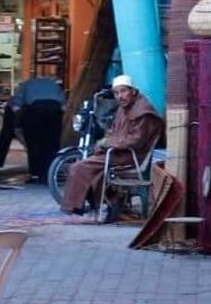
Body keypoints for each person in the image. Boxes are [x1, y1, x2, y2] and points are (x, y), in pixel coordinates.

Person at [60, 74, 163, 221]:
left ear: (133, 91)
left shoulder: (143, 112)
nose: (120, 96)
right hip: (117, 152)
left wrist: (108, 143)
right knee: (92, 169)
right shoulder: (124, 108)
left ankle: (74, 207)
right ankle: (107, 205)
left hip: (130, 155)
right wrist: (105, 141)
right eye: (116, 93)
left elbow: (135, 141)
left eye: (123, 91)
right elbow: (113, 130)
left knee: (79, 167)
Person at [0, 75, 66, 180]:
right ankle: (50, 171)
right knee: (52, 142)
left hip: (35, 110)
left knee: (34, 143)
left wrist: (19, 119)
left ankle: (36, 172)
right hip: (54, 110)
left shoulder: (26, 85)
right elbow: (63, 105)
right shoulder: (54, 85)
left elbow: (16, 105)